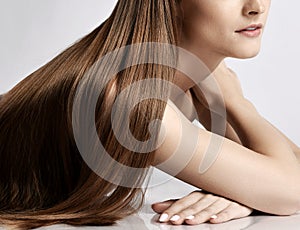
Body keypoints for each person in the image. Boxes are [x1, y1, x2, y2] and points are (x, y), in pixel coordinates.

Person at [0, 0, 299, 229]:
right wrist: (238, 104)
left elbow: (283, 174)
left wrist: (245, 192)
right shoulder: (130, 100)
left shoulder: (198, 81)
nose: (256, 7)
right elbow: (289, 187)